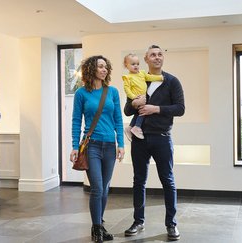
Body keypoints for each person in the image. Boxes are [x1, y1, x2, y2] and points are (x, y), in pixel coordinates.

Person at [123, 45, 185, 241]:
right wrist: (134, 104)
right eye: (153, 55)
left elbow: (180, 108)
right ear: (146, 59)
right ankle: (138, 221)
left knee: (168, 181)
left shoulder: (172, 81)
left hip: (162, 138)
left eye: (160, 54)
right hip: (139, 139)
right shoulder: (137, 78)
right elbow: (127, 109)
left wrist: (155, 109)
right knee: (139, 181)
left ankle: (171, 224)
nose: (157, 57)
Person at [70, 55, 125, 242]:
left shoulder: (113, 92)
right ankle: (96, 229)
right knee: (97, 188)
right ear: (91, 69)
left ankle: (99, 224)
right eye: (100, 66)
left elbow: (118, 118)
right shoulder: (81, 94)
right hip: (91, 145)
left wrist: (122, 145)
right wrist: (74, 146)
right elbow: (76, 121)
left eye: (105, 67)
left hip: (110, 145)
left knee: (105, 188)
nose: (104, 70)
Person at [121, 53, 163, 140]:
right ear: (126, 65)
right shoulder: (127, 77)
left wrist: (160, 78)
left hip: (143, 97)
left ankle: (130, 127)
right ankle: (137, 127)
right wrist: (134, 97)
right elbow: (127, 90)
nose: (136, 66)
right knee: (143, 111)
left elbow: (150, 77)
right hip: (138, 97)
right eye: (133, 64)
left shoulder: (142, 73)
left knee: (138, 113)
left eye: (137, 64)